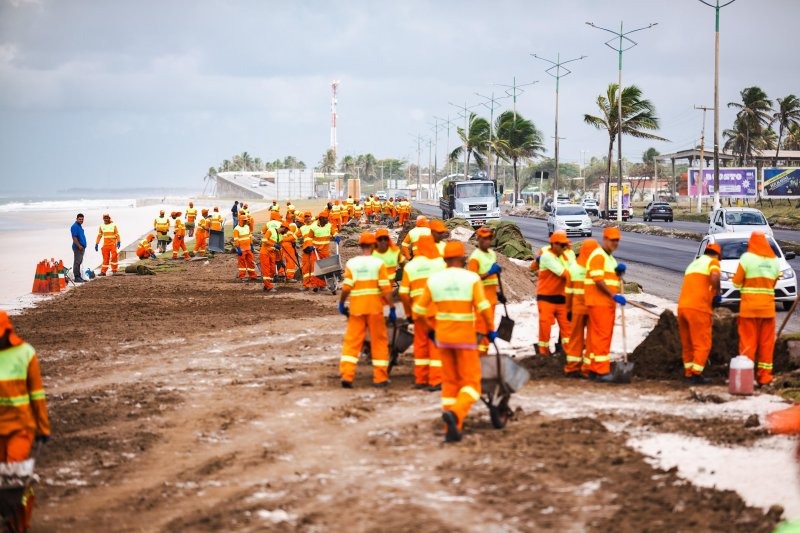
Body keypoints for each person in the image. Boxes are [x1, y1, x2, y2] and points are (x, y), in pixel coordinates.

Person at [414, 241, 496, 443]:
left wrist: (431, 330)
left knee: (450, 384)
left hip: (443, 338)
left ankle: (452, 428)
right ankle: (457, 413)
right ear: (462, 258)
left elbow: (418, 311)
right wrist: (491, 330)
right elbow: (484, 307)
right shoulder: (471, 279)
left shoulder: (435, 280)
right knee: (472, 385)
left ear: (445, 259)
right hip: (465, 338)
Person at [0, 311, 51, 532]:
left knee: (14, 482)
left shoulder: (25, 354)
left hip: (20, 429)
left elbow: (37, 395)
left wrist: (43, 428)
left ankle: (20, 523)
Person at [338, 232, 394, 388]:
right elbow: (386, 289)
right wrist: (392, 307)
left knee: (352, 342)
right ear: (374, 245)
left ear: (359, 246)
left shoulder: (352, 263)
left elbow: (347, 287)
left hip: (356, 308)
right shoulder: (378, 264)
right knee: (379, 342)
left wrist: (342, 303)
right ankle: (380, 378)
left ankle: (347, 375)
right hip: (375, 309)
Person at [732, 231, 781, 386]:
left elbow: (736, 282)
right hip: (768, 310)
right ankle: (764, 376)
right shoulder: (774, 261)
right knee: (767, 344)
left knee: (748, 343)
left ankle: (748, 376)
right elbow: (773, 284)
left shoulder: (747, 258)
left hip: (749, 309)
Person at [399, 235, 445, 390]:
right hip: (436, 311)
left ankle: (421, 379)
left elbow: (404, 293)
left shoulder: (410, 267)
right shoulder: (439, 264)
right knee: (435, 345)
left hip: (418, 312)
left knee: (420, 345)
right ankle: (436, 380)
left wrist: (408, 313)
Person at [584, 227, 626, 382]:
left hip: (606, 303)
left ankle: (594, 369)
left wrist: (617, 273)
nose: (615, 243)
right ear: (605, 239)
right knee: (602, 336)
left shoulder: (610, 258)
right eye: (612, 240)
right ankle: (601, 371)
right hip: (599, 302)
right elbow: (598, 279)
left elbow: (608, 278)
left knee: (601, 336)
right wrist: (613, 295)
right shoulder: (598, 256)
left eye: (617, 240)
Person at [677, 243, 722, 384]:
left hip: (683, 308)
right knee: (702, 343)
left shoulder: (693, 265)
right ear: (717, 255)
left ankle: (689, 373)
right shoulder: (713, 262)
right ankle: (697, 374)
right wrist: (717, 293)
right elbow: (715, 276)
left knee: (688, 343)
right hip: (699, 308)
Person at [564, 238, 599, 378]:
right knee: (591, 340)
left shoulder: (573, 269)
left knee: (575, 339)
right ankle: (588, 368)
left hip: (577, 309)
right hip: (592, 308)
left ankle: (572, 368)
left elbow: (568, 293)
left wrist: (568, 310)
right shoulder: (596, 269)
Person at [536, 231, 572, 358]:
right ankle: (543, 354)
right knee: (545, 327)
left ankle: (567, 354)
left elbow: (573, 270)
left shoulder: (565, 255)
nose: (565, 248)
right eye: (563, 245)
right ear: (554, 244)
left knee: (567, 329)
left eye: (566, 246)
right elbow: (565, 274)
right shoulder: (547, 256)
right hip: (546, 298)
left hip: (561, 299)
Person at [467, 226, 502, 357]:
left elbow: (493, 279)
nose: (487, 241)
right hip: (481, 298)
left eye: (489, 239)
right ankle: (478, 356)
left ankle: (484, 354)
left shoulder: (492, 254)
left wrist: (498, 293)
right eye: (484, 239)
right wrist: (489, 272)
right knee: (481, 328)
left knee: (489, 327)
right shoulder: (475, 257)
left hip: (492, 296)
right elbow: (473, 278)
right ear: (479, 239)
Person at [308, 211, 339, 292]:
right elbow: (309, 238)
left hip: (325, 250)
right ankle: (315, 285)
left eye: (327, 218)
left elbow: (334, 232)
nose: (327, 220)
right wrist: (310, 245)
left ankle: (322, 285)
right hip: (316, 250)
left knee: (325, 268)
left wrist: (336, 237)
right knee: (315, 268)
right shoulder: (313, 226)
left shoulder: (329, 225)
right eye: (325, 218)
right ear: (320, 219)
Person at [260, 212, 283, 291]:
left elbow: (262, 232)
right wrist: (274, 245)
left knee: (272, 269)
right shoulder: (275, 228)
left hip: (272, 252)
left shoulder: (269, 225)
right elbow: (264, 239)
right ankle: (268, 286)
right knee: (267, 270)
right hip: (266, 252)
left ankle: (267, 285)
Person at [233, 213, 258, 282]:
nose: (246, 222)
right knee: (242, 263)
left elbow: (249, 236)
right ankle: (242, 276)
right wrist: (238, 249)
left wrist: (252, 245)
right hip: (242, 249)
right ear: (241, 221)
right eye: (245, 220)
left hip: (248, 248)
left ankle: (253, 276)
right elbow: (236, 240)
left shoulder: (247, 227)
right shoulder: (236, 229)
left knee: (251, 262)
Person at [70, 213, 87, 282]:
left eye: (82, 219)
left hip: (81, 247)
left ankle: (79, 276)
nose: (81, 220)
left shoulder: (79, 226)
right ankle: (77, 277)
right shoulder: (74, 226)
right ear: (76, 219)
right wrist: (79, 245)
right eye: (79, 219)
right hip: (78, 247)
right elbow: (74, 237)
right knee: (77, 262)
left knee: (79, 261)